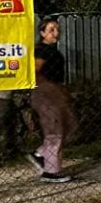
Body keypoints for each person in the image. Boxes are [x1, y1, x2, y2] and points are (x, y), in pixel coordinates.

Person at [27, 16, 78, 184]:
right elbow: (35, 71)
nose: (56, 33)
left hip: (55, 93)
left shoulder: (52, 50)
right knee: (54, 130)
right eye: (51, 30)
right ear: (42, 33)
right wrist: (46, 88)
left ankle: (41, 153)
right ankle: (51, 171)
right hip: (46, 94)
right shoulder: (41, 50)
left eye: (57, 29)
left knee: (68, 125)